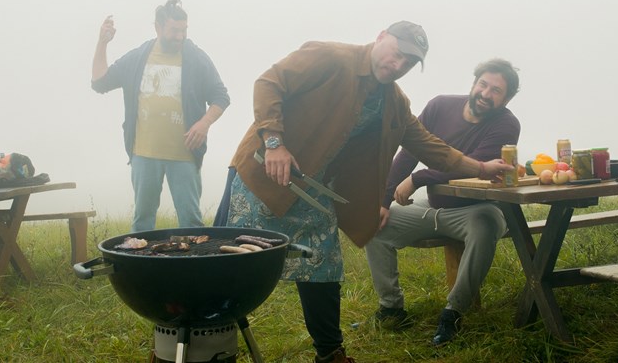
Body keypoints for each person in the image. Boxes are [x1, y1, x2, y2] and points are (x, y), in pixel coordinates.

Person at [214, 22, 514, 363]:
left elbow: (428, 145)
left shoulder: (394, 101)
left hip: (314, 192)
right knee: (232, 266)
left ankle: (330, 353)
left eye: (409, 63)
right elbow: (269, 83)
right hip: (262, 175)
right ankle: (207, 342)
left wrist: (480, 168)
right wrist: (274, 143)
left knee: (322, 269)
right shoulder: (330, 57)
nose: (399, 65)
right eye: (397, 54)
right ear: (381, 37)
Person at [364, 58, 520, 347]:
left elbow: (471, 167)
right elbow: (408, 153)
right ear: (473, 84)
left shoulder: (506, 125)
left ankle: (454, 312)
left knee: (486, 226)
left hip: (476, 209)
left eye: (496, 91)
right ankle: (391, 309)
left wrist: (418, 178)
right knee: (374, 226)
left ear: (506, 98)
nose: (486, 94)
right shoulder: (439, 106)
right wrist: (383, 201)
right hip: (432, 207)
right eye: (483, 85)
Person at [91, 0, 230, 232]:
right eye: (174, 30)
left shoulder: (196, 58)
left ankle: (194, 268)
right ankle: (143, 268)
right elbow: (99, 82)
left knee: (192, 223)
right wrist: (102, 42)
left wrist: (204, 123)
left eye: (183, 30)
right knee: (142, 222)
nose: (180, 36)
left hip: (185, 155)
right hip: (143, 155)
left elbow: (221, 97)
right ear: (158, 27)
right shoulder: (138, 58)